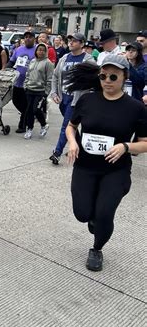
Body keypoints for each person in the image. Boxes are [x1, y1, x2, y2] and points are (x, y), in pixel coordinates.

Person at [65, 55, 147, 272]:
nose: (107, 80)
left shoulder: (136, 108)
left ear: (124, 77)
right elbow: (71, 126)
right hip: (85, 166)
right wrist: (72, 142)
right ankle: (93, 220)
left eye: (113, 76)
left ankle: (97, 248)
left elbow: (145, 143)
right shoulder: (87, 100)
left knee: (104, 214)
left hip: (115, 170)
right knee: (82, 213)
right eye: (103, 76)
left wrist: (125, 147)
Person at [49, 32, 94, 165]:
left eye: (75, 41)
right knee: (72, 125)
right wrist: (54, 92)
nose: (71, 43)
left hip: (77, 99)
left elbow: (94, 79)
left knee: (66, 125)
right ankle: (80, 147)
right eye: (70, 40)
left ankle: (57, 152)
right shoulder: (64, 58)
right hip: (64, 97)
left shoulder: (88, 60)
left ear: (82, 44)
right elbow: (55, 76)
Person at [23, 42, 54, 139]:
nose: (40, 52)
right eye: (39, 50)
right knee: (29, 111)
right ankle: (29, 129)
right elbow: (28, 73)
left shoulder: (48, 63)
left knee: (36, 109)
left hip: (40, 91)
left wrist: (46, 92)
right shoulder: (32, 61)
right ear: (36, 51)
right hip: (29, 89)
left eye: (43, 50)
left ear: (46, 52)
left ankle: (44, 124)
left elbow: (50, 78)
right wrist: (25, 84)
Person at [8, 30, 36, 133]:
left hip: (29, 83)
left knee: (26, 104)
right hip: (17, 81)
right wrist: (6, 70)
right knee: (16, 101)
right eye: (26, 37)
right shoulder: (18, 49)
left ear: (34, 38)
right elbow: (12, 61)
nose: (27, 38)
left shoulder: (37, 50)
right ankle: (28, 115)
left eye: (30, 37)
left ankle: (23, 125)